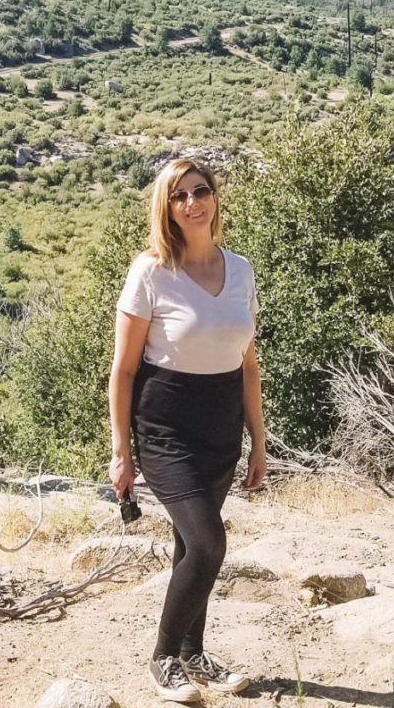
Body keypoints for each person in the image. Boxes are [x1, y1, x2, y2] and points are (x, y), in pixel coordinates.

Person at [108, 158, 267, 703]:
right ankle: (163, 658)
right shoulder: (151, 273)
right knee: (209, 542)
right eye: (179, 196)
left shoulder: (241, 270)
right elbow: (123, 370)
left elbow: (248, 364)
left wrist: (258, 443)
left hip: (221, 428)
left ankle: (194, 656)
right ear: (167, 208)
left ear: (215, 198)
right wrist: (121, 452)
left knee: (189, 547)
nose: (193, 202)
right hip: (164, 430)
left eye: (201, 191)